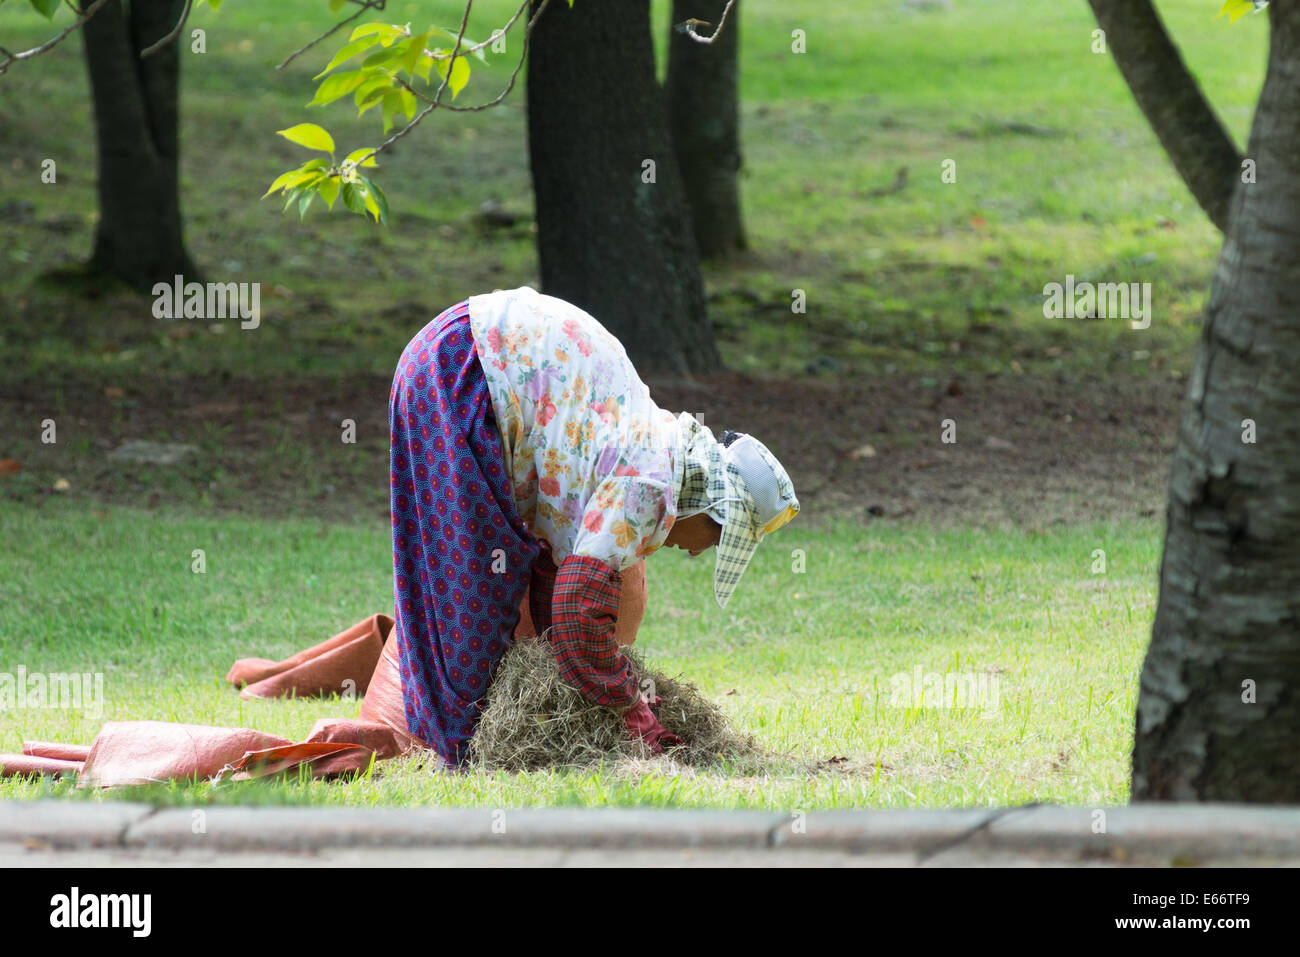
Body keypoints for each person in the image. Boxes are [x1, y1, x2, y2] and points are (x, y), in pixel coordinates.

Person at [389, 286, 799, 767]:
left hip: (455, 354)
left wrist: (608, 686)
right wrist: (632, 712)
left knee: (497, 572)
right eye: (712, 541)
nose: (694, 553)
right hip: (461, 372)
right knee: (471, 586)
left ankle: (463, 745)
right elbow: (577, 609)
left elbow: (557, 580)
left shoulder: (655, 444)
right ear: (712, 509)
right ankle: (460, 754)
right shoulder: (650, 481)